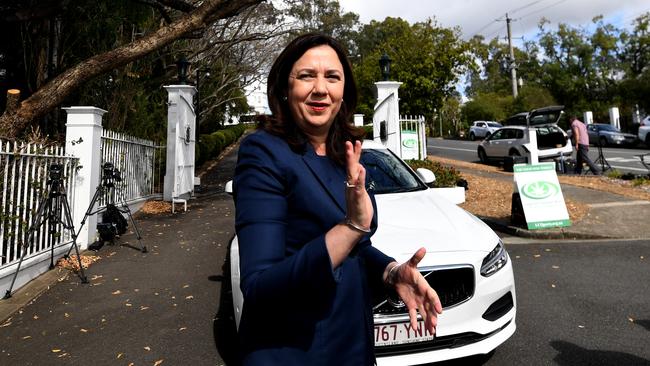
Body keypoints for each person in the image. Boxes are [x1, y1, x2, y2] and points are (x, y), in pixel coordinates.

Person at [233, 33, 442, 365]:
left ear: (344, 92)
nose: (321, 88)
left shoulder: (341, 154)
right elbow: (259, 288)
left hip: (353, 346)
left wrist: (391, 272)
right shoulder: (263, 152)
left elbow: (353, 251)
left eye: (332, 77)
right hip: (294, 352)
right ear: (285, 89)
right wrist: (353, 226)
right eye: (306, 76)